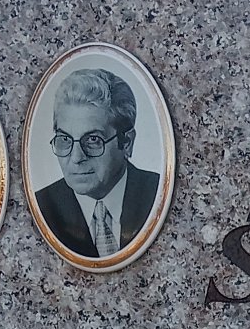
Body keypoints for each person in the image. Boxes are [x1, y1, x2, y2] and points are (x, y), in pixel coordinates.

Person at [32, 67, 160, 259]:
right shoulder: (42, 207)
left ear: (126, 142)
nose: (76, 158)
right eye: (65, 139)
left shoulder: (158, 194)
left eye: (93, 140)